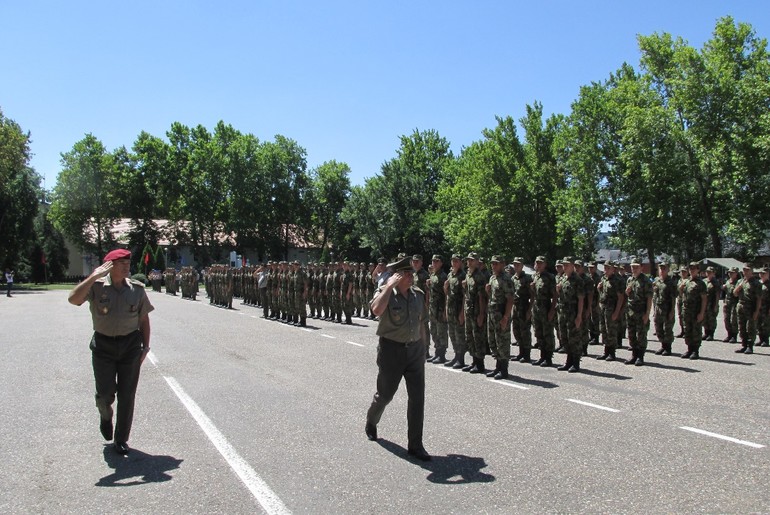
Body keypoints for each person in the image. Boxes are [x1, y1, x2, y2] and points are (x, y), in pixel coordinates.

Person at [68, 248, 154, 455]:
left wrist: (145, 347)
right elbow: (73, 299)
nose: (127, 267)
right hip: (103, 346)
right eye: (122, 264)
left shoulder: (136, 289)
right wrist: (93, 276)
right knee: (105, 393)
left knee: (127, 395)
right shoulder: (96, 287)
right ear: (110, 266)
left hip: (130, 346)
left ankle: (121, 439)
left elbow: (143, 320)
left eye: (128, 263)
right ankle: (105, 415)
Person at [365, 257, 430, 461]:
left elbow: (422, 323)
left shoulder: (418, 295)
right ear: (397, 275)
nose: (412, 277)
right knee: (385, 396)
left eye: (412, 274)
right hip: (391, 351)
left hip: (415, 352)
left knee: (417, 399)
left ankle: (415, 445)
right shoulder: (385, 293)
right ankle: (371, 420)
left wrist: (424, 349)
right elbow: (376, 310)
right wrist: (388, 286)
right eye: (407, 274)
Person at [624, 259, 653, 366]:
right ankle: (634, 355)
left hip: (641, 312)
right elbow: (628, 296)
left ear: (641, 267)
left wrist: (647, 314)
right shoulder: (629, 280)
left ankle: (640, 357)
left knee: (641, 335)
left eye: (636, 267)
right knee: (631, 335)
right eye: (632, 267)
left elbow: (649, 298)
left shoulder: (646, 281)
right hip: (630, 312)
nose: (634, 269)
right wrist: (627, 292)